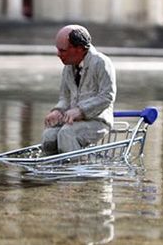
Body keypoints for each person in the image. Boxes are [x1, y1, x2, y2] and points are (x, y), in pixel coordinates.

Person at [41, 25, 116, 155]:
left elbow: (107, 96)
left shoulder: (101, 63)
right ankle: (51, 170)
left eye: (63, 50)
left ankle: (74, 171)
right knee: (49, 135)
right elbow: (65, 98)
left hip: (98, 121)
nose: (58, 54)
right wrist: (58, 111)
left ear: (79, 49)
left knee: (67, 134)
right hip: (72, 121)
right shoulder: (68, 68)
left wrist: (81, 111)